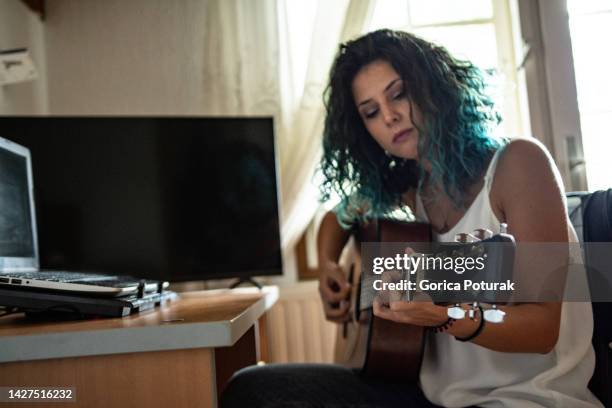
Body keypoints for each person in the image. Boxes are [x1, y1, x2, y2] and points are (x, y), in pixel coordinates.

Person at [220, 29, 602, 408]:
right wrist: (327, 267)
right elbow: (337, 219)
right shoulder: (408, 191)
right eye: (370, 112)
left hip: (530, 399)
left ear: (434, 87)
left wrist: (444, 315)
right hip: (430, 397)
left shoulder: (519, 164)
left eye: (399, 93)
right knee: (251, 389)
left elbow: (542, 330)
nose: (389, 116)